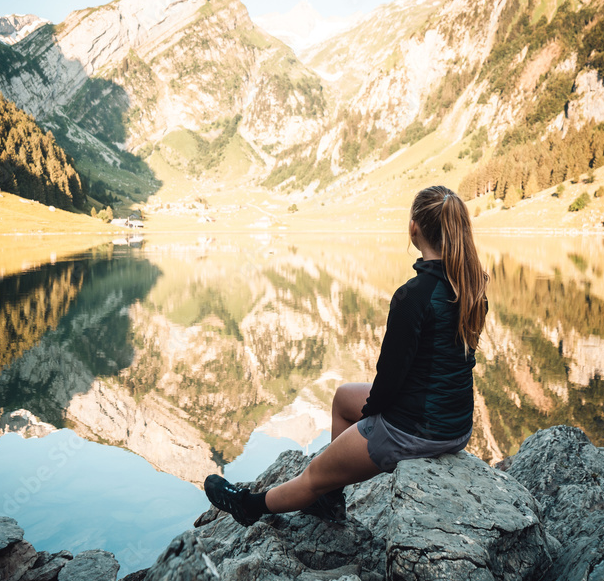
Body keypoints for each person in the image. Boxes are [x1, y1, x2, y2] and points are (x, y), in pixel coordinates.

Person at [204, 185, 489, 526]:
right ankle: (330, 498)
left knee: (312, 475)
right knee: (342, 398)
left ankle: (249, 506)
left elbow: (390, 379)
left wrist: (371, 420)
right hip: (456, 425)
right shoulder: (471, 286)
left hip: (415, 430)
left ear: (413, 228)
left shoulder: (414, 297)